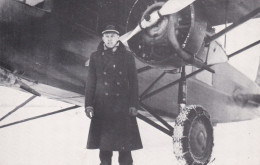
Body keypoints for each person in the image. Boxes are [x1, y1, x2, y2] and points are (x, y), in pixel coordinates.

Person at [85, 24, 143, 165]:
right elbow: (91, 83)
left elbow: (134, 82)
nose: (109, 39)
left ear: (118, 38)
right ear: (103, 38)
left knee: (125, 152)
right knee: (105, 151)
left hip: (122, 107)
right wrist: (88, 105)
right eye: (107, 36)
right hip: (102, 107)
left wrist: (134, 104)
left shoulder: (128, 56)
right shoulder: (95, 57)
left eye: (112, 36)